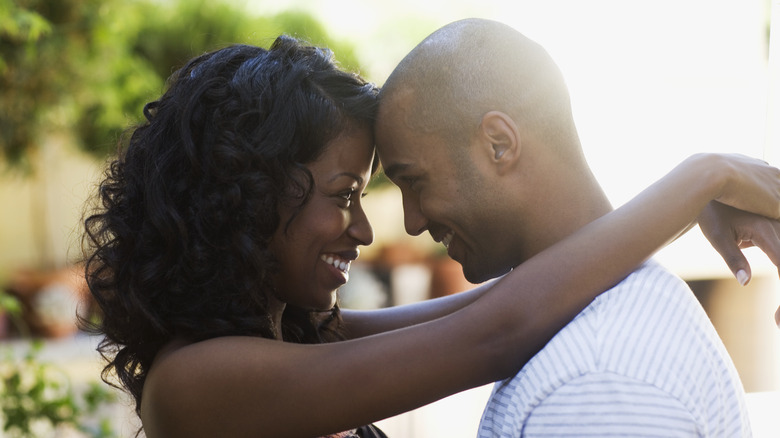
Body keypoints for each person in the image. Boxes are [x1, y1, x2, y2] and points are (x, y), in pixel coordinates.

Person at [82, 34, 780, 438]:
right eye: (344, 196)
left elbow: (505, 301)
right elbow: (498, 330)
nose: (366, 229)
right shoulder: (196, 383)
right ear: (249, 196)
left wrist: (685, 208)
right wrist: (702, 177)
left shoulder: (295, 336)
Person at [374, 18, 779, 437]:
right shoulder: (590, 343)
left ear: (499, 144)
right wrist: (696, 189)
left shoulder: (597, 380)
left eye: (415, 182)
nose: (411, 222)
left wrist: (700, 187)